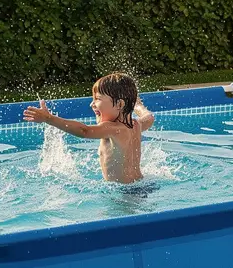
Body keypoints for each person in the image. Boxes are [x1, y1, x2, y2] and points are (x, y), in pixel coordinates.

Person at [23, 72, 154, 184]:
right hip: (140, 185)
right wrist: (138, 106)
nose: (92, 104)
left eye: (97, 99)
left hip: (123, 193)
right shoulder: (136, 125)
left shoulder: (113, 128)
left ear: (119, 104)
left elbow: (84, 130)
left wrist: (49, 118)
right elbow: (149, 117)